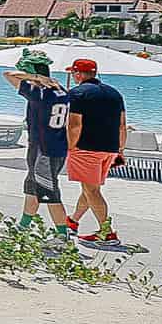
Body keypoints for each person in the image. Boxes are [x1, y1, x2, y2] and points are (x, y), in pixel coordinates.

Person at [63, 59, 128, 247]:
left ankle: (107, 233)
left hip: (86, 148)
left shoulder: (76, 93)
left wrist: (69, 147)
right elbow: (122, 125)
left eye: (73, 73)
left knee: (91, 190)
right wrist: (120, 150)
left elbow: (74, 125)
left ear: (78, 74)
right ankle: (73, 221)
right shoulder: (114, 93)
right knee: (91, 189)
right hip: (110, 148)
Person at [2, 49, 69, 231]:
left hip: (45, 150)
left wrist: (34, 77)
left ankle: (62, 235)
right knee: (32, 188)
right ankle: (23, 227)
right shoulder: (60, 90)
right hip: (53, 147)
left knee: (49, 193)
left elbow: (9, 75)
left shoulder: (40, 93)